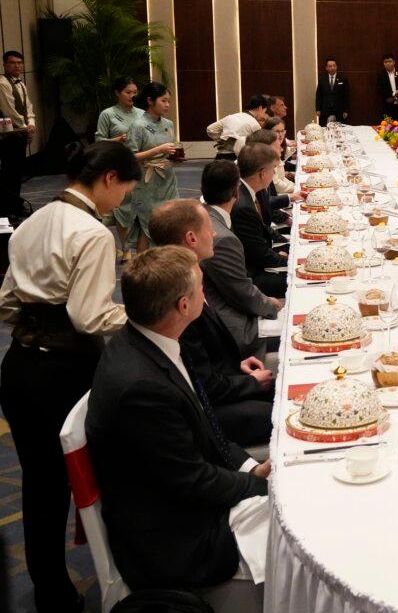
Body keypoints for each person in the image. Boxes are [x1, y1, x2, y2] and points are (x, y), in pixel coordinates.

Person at [0, 141, 139, 612]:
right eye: (125, 191)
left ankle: (51, 590)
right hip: (65, 372)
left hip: (18, 366)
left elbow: (5, 304)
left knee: (39, 483)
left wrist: (39, 317)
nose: (122, 201)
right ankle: (120, 567)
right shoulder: (94, 233)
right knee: (90, 470)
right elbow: (89, 317)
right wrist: (139, 316)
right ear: (109, 180)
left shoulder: (31, 220)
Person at [85, 246, 270, 591]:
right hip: (177, 541)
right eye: (201, 287)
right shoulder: (142, 390)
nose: (205, 293)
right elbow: (193, 482)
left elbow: (205, 427)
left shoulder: (152, 339)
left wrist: (250, 468)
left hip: (183, 502)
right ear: (184, 305)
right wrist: (261, 485)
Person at [149, 201, 274, 447]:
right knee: (290, 413)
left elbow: (200, 360)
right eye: (209, 228)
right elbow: (200, 382)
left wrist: (237, 366)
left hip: (220, 381)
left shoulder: (188, 272)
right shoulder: (175, 295)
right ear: (192, 238)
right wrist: (250, 382)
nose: (215, 233)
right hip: (205, 412)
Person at [199, 160, 284, 355]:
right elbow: (240, 291)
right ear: (236, 193)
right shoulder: (222, 238)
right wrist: (270, 305)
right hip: (233, 329)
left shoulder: (208, 215)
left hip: (224, 309)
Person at [125, 82, 180, 255]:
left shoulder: (168, 124)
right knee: (147, 225)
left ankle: (166, 261)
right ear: (150, 100)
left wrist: (174, 156)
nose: (167, 105)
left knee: (170, 222)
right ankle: (141, 266)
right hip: (146, 182)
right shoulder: (138, 125)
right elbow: (130, 156)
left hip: (167, 179)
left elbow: (168, 151)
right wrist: (158, 150)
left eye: (168, 101)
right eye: (163, 101)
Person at [233, 143, 288, 296]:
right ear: (263, 173)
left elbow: (262, 227)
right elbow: (259, 255)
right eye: (273, 169)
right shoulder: (243, 205)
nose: (274, 174)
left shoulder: (247, 190)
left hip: (260, 258)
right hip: (252, 277)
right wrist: (289, 262)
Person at [95, 78, 144, 253]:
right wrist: (118, 139)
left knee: (137, 209)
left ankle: (136, 249)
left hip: (138, 165)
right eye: (128, 92)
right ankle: (125, 250)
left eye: (134, 92)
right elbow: (98, 140)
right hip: (116, 165)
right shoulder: (107, 114)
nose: (132, 96)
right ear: (117, 93)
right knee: (121, 209)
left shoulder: (141, 113)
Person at [0, 50, 34, 220]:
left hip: (20, 133)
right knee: (9, 173)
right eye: (13, 63)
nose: (18, 66)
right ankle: (7, 209)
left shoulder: (21, 84)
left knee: (17, 172)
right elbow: (9, 111)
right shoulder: (2, 83)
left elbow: (28, 106)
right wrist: (25, 127)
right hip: (8, 135)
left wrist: (32, 123)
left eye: (20, 63)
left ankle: (16, 205)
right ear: (5, 65)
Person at [245, 128, 290, 227]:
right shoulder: (256, 176)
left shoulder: (264, 169)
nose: (282, 149)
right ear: (266, 150)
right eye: (278, 147)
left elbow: (266, 204)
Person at [206, 95, 268, 159]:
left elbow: (210, 129)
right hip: (237, 158)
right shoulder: (254, 124)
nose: (263, 115)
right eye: (264, 111)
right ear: (260, 108)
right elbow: (260, 145)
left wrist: (222, 140)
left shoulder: (231, 117)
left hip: (220, 155)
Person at [263, 116, 296, 194]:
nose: (281, 135)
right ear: (267, 132)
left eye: (282, 131)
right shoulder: (267, 151)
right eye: (277, 132)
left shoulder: (278, 146)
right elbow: (276, 184)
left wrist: (295, 185)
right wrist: (296, 187)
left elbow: (281, 178)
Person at [315, 56, 349, 124]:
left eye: (334, 66)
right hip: (325, 110)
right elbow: (319, 95)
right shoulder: (322, 80)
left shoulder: (343, 79)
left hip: (339, 110)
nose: (332, 68)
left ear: (336, 67)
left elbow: (346, 96)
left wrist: (346, 110)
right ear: (326, 68)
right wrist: (318, 109)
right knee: (325, 129)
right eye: (330, 66)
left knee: (339, 130)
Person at [377, 53, 398, 120]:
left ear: (394, 62)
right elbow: (379, 90)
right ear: (383, 63)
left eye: (390, 61)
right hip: (387, 104)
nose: (388, 63)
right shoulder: (380, 75)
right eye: (385, 62)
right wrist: (393, 94)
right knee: (387, 126)